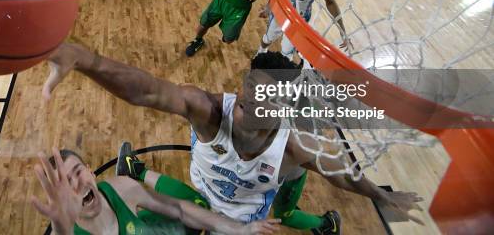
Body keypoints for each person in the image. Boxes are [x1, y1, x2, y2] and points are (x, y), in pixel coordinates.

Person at [42, 43, 425, 234]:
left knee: (280, 209)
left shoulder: (294, 145)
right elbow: (148, 91)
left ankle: (322, 223)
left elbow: (339, 173)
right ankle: (137, 171)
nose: (245, 102)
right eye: (247, 89)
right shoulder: (209, 110)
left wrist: (380, 194)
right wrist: (88, 61)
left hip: (246, 217)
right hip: (204, 192)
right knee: (187, 206)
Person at [31, 147, 280, 234]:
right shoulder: (66, 230)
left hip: (146, 227)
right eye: (65, 183)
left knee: (198, 208)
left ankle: (135, 171)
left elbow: (180, 209)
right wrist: (61, 230)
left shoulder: (120, 190)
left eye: (78, 172)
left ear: (90, 170)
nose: (76, 183)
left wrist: (240, 228)